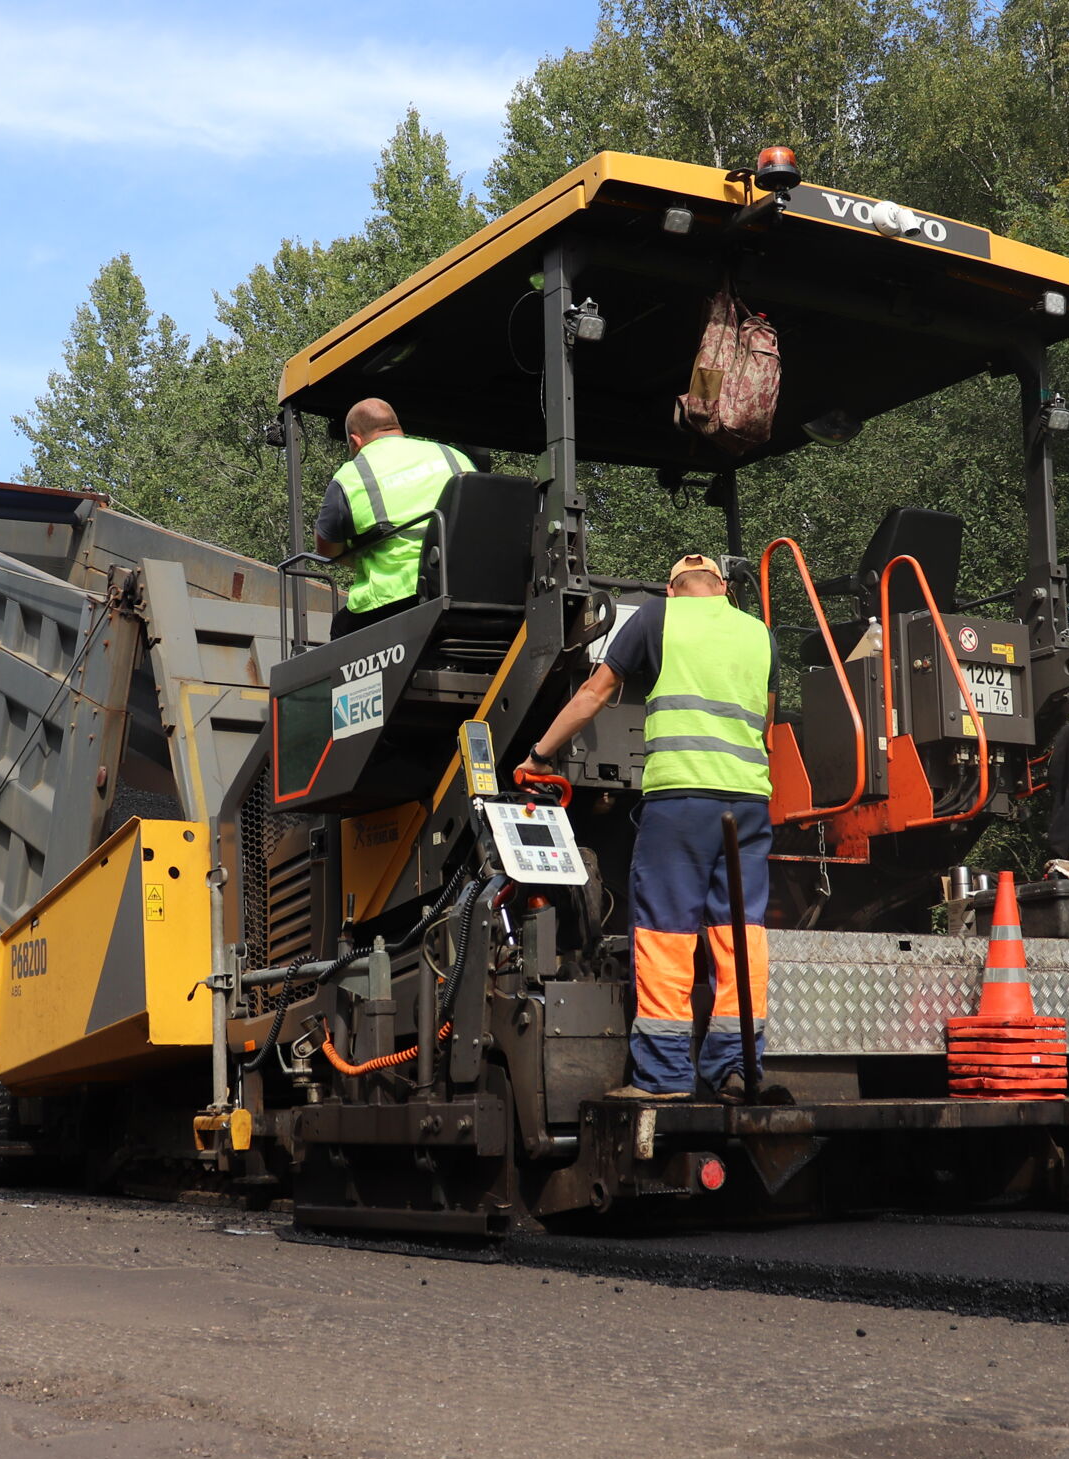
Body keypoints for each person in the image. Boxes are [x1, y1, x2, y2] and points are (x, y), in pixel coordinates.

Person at [516, 555, 774, 1101]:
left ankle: (664, 1079)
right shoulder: (759, 633)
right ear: (723, 588)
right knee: (740, 935)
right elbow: (766, 717)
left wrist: (540, 755)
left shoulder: (658, 617)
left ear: (672, 588)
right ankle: (736, 1068)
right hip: (750, 801)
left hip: (682, 799)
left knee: (665, 933)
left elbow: (593, 693)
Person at [314, 397, 473, 630]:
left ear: (355, 440)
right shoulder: (454, 456)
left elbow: (328, 550)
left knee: (341, 626)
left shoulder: (350, 476)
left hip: (398, 600)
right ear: (397, 429)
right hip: (467, 585)